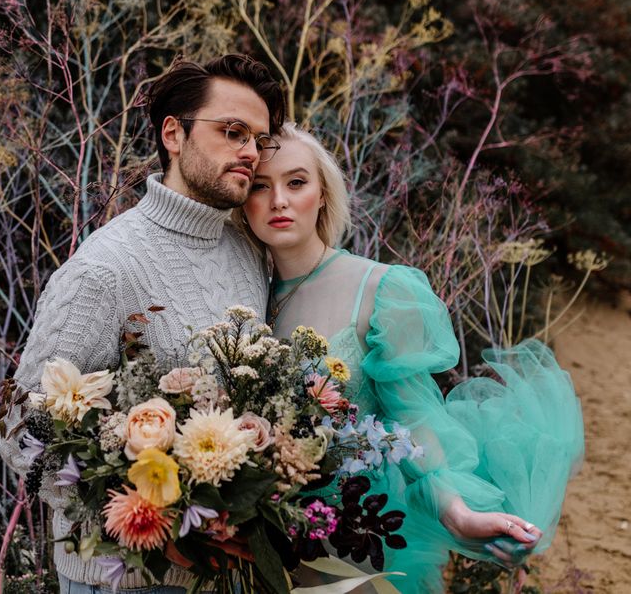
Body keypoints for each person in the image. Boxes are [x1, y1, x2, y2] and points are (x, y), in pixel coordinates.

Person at [242, 123, 584, 594]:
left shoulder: (381, 290)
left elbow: (414, 416)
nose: (278, 199)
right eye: (261, 186)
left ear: (322, 195)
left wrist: (456, 509)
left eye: (296, 182)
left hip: (354, 540)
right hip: (252, 542)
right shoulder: (237, 292)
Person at [0, 54, 285, 594]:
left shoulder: (248, 250)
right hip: (127, 579)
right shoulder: (105, 268)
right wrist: (154, 523)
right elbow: (20, 428)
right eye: (232, 131)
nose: (250, 151)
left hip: (229, 575)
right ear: (173, 134)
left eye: (260, 139)